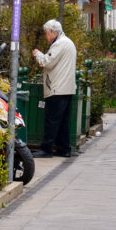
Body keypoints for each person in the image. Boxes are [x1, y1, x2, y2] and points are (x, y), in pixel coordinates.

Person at [31, 20, 78, 158]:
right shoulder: (67, 42)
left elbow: (47, 62)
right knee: (62, 120)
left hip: (57, 87)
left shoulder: (60, 44)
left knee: (52, 119)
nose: (46, 36)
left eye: (47, 33)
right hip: (66, 87)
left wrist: (37, 54)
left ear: (52, 32)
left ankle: (46, 149)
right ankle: (64, 148)